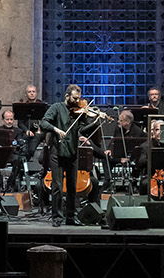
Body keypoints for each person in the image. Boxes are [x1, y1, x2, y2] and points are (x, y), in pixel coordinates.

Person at [40, 84, 103, 226]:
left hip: (72, 152)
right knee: (56, 186)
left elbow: (83, 130)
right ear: (66, 96)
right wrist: (56, 129)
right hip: (57, 152)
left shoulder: (79, 112)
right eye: (74, 98)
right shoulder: (57, 107)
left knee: (72, 187)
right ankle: (57, 217)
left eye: (78, 98)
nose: (77, 101)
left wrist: (95, 122)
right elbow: (44, 122)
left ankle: (70, 217)